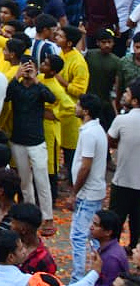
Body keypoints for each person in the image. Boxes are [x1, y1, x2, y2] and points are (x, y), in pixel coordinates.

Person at [7, 57, 55, 234]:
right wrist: (15, 77)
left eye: (31, 67)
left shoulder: (39, 88)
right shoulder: (16, 87)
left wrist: (36, 80)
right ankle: (31, 216)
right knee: (25, 182)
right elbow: (6, 97)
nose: (27, 70)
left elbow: (51, 98)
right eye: (25, 67)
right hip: (18, 140)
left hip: (37, 141)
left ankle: (47, 217)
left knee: (42, 179)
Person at [71, 93, 110, 278]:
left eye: (78, 105)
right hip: (94, 191)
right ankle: (97, 272)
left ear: (85, 111)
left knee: (78, 237)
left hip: (88, 193)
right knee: (92, 237)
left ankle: (78, 277)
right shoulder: (96, 130)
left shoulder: (89, 133)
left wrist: (74, 192)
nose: (75, 107)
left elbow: (85, 166)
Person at [108, 77, 140, 251]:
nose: (124, 95)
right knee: (137, 221)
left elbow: (111, 140)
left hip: (123, 180)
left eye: (127, 93)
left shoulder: (122, 120)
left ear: (135, 101)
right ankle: (134, 248)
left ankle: (113, 251)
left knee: (116, 220)